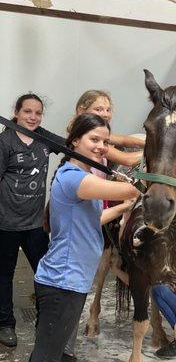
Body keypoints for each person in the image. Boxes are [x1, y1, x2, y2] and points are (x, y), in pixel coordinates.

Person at [29, 113, 140, 362]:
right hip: (62, 282)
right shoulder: (73, 178)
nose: (101, 147)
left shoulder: (82, 178)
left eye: (105, 142)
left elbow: (93, 218)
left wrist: (123, 208)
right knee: (47, 356)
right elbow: (134, 188)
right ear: (75, 141)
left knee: (56, 352)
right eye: (94, 139)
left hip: (73, 280)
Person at [0, 93, 64, 348]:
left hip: (36, 224)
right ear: (16, 112)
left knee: (44, 274)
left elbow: (72, 145)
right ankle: (5, 324)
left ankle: (46, 320)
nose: (33, 117)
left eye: (38, 113)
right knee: (4, 275)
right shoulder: (5, 142)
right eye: (27, 112)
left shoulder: (43, 137)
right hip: (5, 223)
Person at [71, 90, 144, 168]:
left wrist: (147, 144)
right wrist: (155, 151)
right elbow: (128, 160)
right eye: (98, 109)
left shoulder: (98, 134)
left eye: (108, 110)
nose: (105, 114)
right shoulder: (85, 136)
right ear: (81, 111)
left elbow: (123, 140)